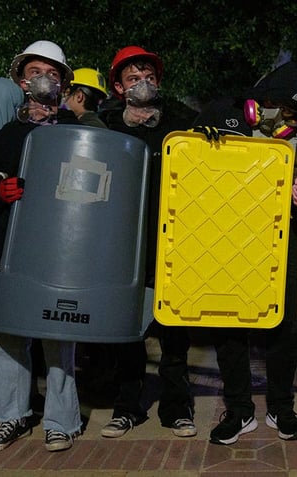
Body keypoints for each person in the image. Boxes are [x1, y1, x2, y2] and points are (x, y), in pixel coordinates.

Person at [191, 60, 297, 445]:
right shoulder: (224, 114)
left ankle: (281, 407)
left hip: (285, 240)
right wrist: (202, 142)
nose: (279, 113)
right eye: (272, 101)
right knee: (230, 324)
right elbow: (195, 169)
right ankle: (239, 410)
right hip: (233, 238)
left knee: (286, 326)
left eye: (289, 109)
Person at [0, 40, 83, 453]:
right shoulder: (3, 138)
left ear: (63, 84)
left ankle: (61, 421)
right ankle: (9, 416)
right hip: (10, 253)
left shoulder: (78, 135)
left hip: (60, 259)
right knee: (6, 341)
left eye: (54, 74)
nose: (45, 80)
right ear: (22, 80)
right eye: (37, 72)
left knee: (60, 343)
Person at [98, 46, 199, 439]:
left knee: (174, 331)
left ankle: (177, 408)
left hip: (172, 243)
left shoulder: (181, 123)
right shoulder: (107, 127)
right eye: (133, 77)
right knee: (128, 331)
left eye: (148, 75)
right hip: (124, 246)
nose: (142, 82)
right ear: (119, 87)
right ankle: (128, 408)